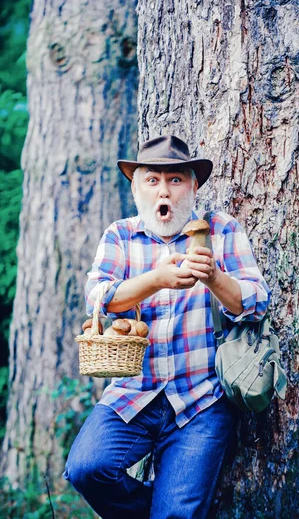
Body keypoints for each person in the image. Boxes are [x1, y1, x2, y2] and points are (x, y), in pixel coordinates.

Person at [64, 135, 271, 519]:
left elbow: (256, 302)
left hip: (202, 400)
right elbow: (99, 296)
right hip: (134, 393)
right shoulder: (120, 235)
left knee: (176, 513)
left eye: (176, 180)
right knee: (86, 469)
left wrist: (214, 277)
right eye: (153, 180)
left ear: (193, 186)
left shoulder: (221, 231)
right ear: (136, 187)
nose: (165, 190)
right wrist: (156, 279)